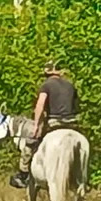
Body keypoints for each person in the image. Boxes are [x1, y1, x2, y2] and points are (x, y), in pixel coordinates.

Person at [10, 61, 79, 189]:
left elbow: (40, 105)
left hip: (55, 122)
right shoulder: (70, 86)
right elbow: (76, 107)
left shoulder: (46, 85)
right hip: (72, 124)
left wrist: (36, 125)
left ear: (47, 74)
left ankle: (23, 174)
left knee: (30, 144)